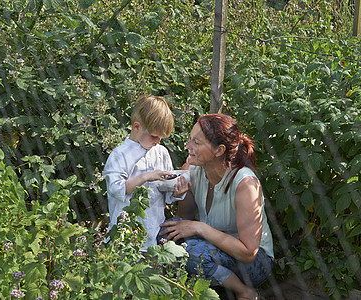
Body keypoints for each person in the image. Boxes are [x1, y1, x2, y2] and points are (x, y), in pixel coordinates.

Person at [159, 113, 274, 300]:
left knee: (193, 252)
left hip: (254, 264)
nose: (188, 147)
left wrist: (200, 227)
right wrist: (183, 193)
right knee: (166, 233)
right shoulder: (193, 168)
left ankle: (244, 292)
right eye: (190, 140)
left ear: (219, 150)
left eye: (196, 142)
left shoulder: (245, 184)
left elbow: (248, 253)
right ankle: (213, 281)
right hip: (214, 247)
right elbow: (184, 220)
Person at [103, 95, 187, 249]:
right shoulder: (120, 155)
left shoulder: (161, 152)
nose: (157, 142)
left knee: (151, 268)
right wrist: (147, 176)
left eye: (161, 138)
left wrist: (176, 191)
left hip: (154, 231)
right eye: (154, 136)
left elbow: (166, 196)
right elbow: (116, 189)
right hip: (124, 235)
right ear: (137, 127)